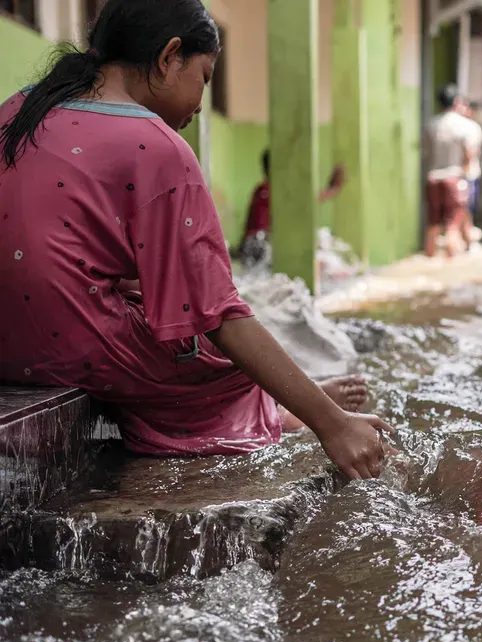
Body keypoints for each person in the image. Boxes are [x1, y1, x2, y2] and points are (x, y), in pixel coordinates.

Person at [0, 0, 392, 480]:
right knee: (221, 364)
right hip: (67, 348)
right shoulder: (155, 145)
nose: (203, 101)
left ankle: (283, 404)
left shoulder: (19, 106)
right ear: (169, 56)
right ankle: (285, 413)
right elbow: (220, 314)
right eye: (204, 77)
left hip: (5, 341)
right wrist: (333, 425)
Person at [239, 149, 345, 267]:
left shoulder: (267, 190)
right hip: (257, 251)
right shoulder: (267, 191)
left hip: (260, 249)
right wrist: (331, 190)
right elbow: (304, 202)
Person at [423, 83, 477, 258]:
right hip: (454, 177)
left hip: (433, 177)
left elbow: (424, 150)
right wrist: (464, 174)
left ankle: (430, 260)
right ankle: (450, 267)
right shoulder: (465, 125)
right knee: (452, 225)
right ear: (456, 101)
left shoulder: (431, 124)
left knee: (433, 224)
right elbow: (470, 153)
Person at [454, 97, 482, 250]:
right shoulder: (455, 127)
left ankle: (470, 243)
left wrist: (462, 176)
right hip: (458, 175)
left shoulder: (471, 128)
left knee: (465, 210)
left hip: (468, 176)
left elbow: (470, 153)